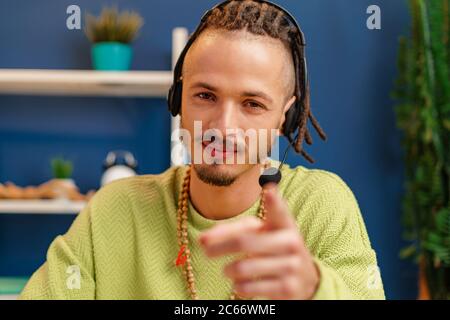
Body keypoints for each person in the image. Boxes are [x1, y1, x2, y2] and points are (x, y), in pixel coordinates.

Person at [20, 0, 385, 300]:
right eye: (205, 96)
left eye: (252, 104)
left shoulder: (321, 205)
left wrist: (314, 290)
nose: (223, 128)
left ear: (283, 118)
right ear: (178, 100)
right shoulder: (114, 211)